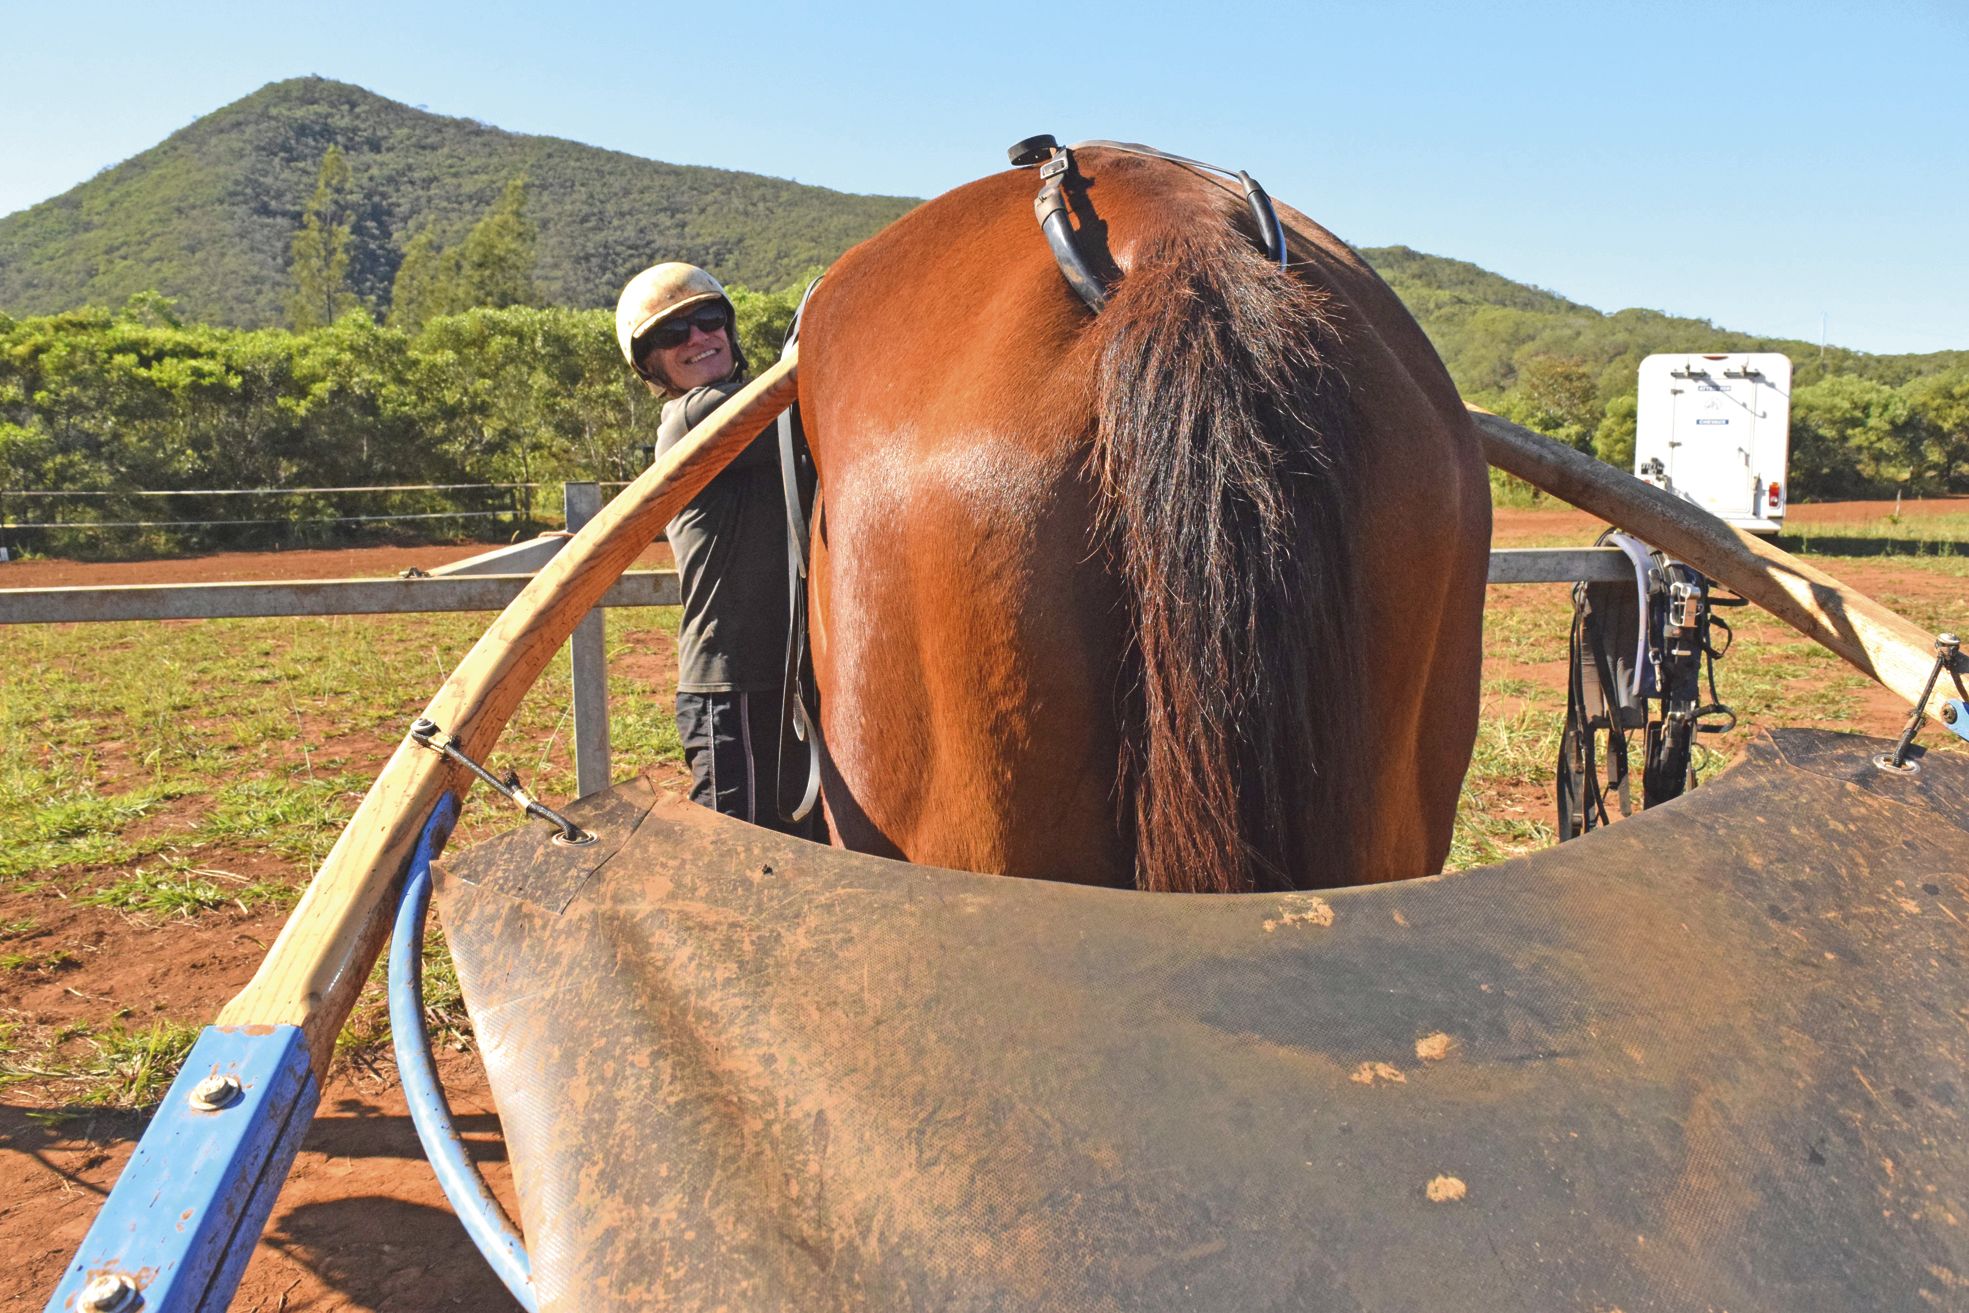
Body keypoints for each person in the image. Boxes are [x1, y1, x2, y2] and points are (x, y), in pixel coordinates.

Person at [615, 263, 814, 837]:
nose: (699, 338)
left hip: (794, 679)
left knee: (810, 855)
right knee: (741, 860)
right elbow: (818, 391)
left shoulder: (758, 410)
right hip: (734, 686)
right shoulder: (695, 418)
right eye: (672, 335)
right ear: (650, 364)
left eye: (708, 320)